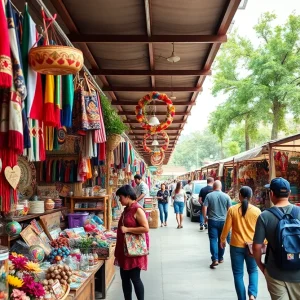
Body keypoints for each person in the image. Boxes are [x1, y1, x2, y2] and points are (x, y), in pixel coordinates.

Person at [253, 178, 300, 300]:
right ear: (289, 193)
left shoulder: (264, 216)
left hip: (275, 273)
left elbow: (257, 247)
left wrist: (261, 266)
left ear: (271, 194)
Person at [220, 186, 261, 300]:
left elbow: (226, 228)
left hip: (236, 246)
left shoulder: (232, 210)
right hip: (252, 247)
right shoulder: (257, 211)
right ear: (251, 196)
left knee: (238, 274)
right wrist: (264, 243)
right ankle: (252, 294)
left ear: (240, 196)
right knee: (253, 270)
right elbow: (261, 230)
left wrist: (222, 239)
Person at [114, 185, 149, 300]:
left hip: (134, 250)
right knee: (124, 278)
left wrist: (128, 229)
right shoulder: (127, 209)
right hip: (124, 250)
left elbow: (145, 228)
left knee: (135, 278)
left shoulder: (137, 209)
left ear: (128, 196)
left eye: (120, 197)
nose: (119, 200)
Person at [202, 180, 231, 269]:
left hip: (212, 221)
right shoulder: (226, 196)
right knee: (222, 239)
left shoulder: (209, 196)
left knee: (213, 240)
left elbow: (204, 207)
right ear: (221, 187)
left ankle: (215, 259)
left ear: (213, 187)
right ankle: (221, 257)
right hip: (224, 222)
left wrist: (205, 218)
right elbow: (230, 210)